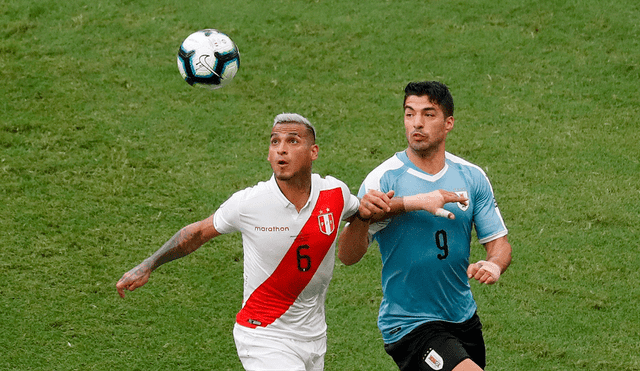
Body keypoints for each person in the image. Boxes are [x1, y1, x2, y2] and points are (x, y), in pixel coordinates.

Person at [116, 113, 391, 371]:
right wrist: (149, 264)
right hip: (263, 333)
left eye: (292, 141)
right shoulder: (249, 203)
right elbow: (198, 232)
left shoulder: (335, 193)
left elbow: (362, 212)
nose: (281, 149)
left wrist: (414, 203)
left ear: (313, 152)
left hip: (314, 336)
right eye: (275, 142)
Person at [337, 81, 512, 371]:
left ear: (449, 123)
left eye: (428, 114)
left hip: (463, 318)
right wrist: (363, 217)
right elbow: (347, 255)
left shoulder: (472, 177)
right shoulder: (384, 179)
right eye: (409, 114)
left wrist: (495, 264)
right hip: (410, 325)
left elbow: (499, 243)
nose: (416, 123)